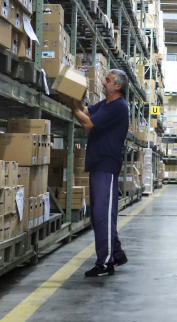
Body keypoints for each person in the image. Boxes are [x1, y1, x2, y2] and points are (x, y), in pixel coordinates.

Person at [67, 68, 130, 277]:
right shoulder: (106, 104)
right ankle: (117, 253)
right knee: (99, 216)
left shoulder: (119, 107)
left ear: (117, 86)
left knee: (103, 215)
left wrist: (70, 107)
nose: (103, 83)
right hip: (97, 165)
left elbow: (87, 123)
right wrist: (74, 99)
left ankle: (105, 263)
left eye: (108, 80)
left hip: (107, 166)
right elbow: (86, 111)